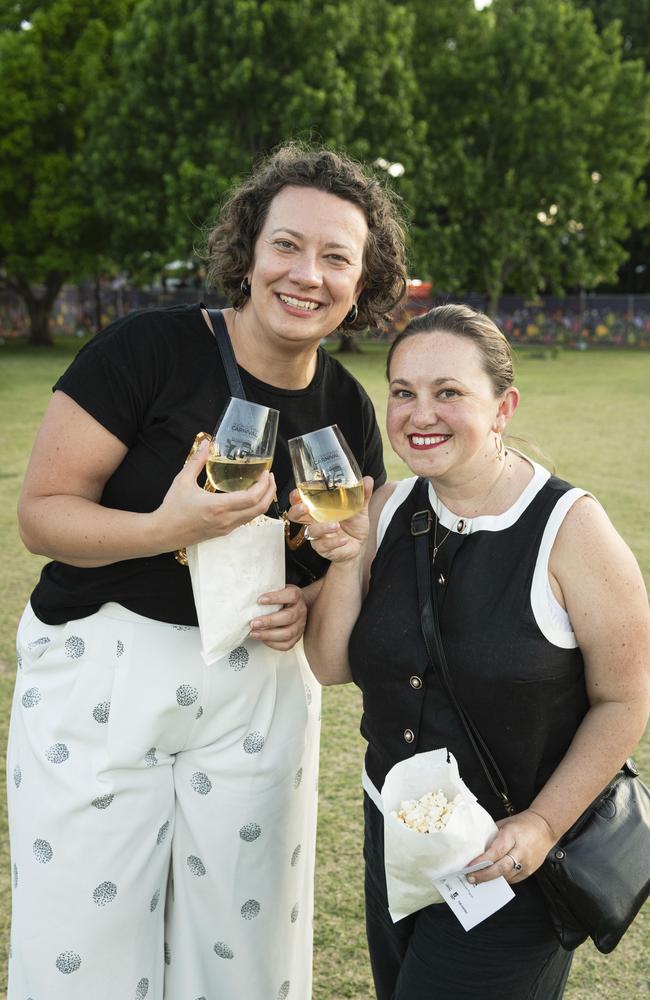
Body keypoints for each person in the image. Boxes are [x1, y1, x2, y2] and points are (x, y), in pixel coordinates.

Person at [7, 144, 408, 999]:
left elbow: (346, 570)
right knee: (87, 939)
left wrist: (311, 592)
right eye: (287, 246)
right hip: (102, 678)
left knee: (245, 944)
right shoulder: (148, 349)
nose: (309, 275)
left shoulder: (347, 409)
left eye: (337, 257)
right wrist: (166, 526)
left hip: (259, 694)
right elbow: (42, 515)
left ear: (363, 281)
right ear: (248, 253)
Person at [292, 303, 650, 999]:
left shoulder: (570, 529)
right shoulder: (387, 507)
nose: (419, 414)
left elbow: (624, 697)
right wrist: (342, 558)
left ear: (503, 406)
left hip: (507, 858)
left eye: (449, 392)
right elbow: (329, 665)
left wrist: (543, 826)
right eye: (403, 392)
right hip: (394, 836)